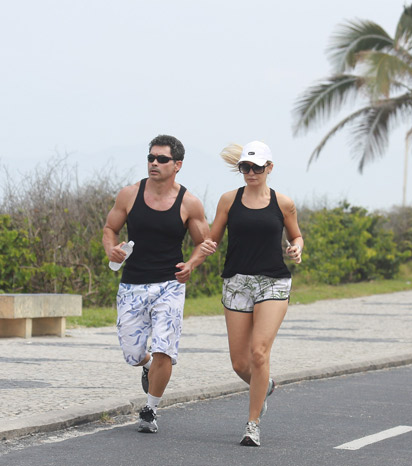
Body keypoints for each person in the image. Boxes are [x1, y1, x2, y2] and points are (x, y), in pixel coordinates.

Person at [102, 134, 211, 434]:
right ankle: (147, 365)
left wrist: (191, 265)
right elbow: (110, 228)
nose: (154, 163)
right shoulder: (129, 194)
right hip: (132, 284)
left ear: (177, 165)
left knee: (166, 347)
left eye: (161, 159)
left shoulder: (189, 202)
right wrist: (110, 248)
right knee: (133, 353)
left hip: (169, 284)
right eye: (151, 157)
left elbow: (205, 242)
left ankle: (150, 409)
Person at [200, 140, 303, 447]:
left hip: (273, 283)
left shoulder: (283, 203)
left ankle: (252, 424)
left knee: (259, 352)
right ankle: (265, 386)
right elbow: (212, 237)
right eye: (245, 167)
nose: (250, 172)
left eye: (257, 168)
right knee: (240, 364)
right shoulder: (229, 200)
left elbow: (295, 234)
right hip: (236, 282)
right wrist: (205, 247)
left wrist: (297, 248)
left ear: (269, 168)